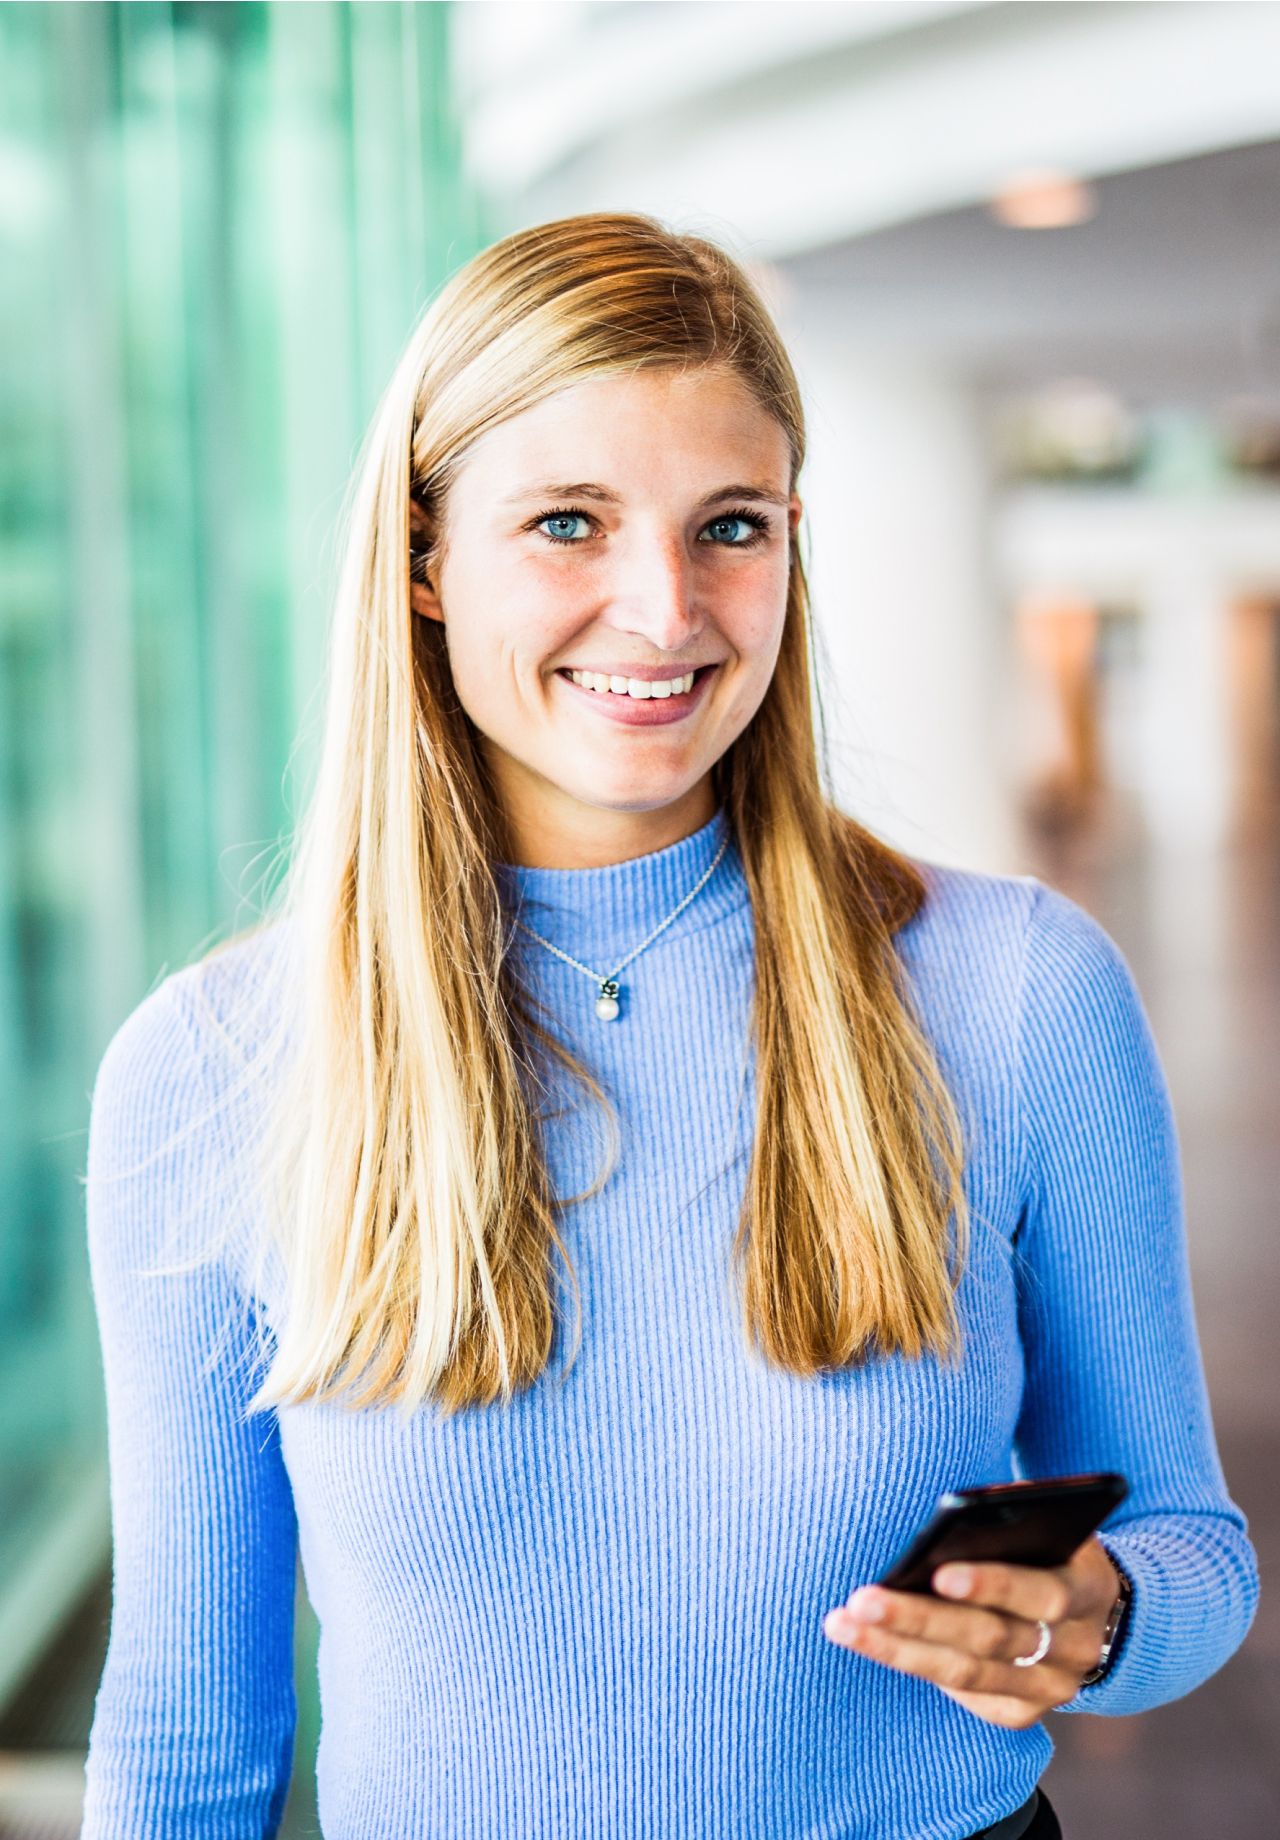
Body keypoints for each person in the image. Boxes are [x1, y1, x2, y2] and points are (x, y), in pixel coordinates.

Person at [79, 211, 1258, 1840]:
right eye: (569, 523)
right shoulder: (211, 1068)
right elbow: (186, 1732)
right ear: (423, 560)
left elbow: (1195, 1552)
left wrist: (1087, 1617)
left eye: (731, 527)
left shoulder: (1019, 988)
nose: (665, 610)